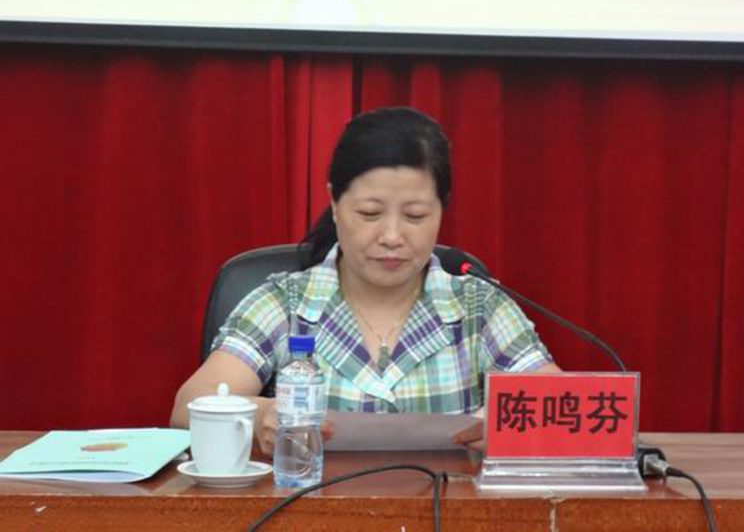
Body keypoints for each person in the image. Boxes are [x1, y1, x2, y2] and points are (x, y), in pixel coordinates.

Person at [170, 106, 559, 454]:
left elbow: (559, 408)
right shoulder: (284, 303)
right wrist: (259, 416)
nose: (392, 236)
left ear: (442, 210)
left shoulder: (479, 307)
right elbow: (189, 406)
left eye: (415, 216)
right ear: (335, 204)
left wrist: (513, 427)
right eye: (370, 214)